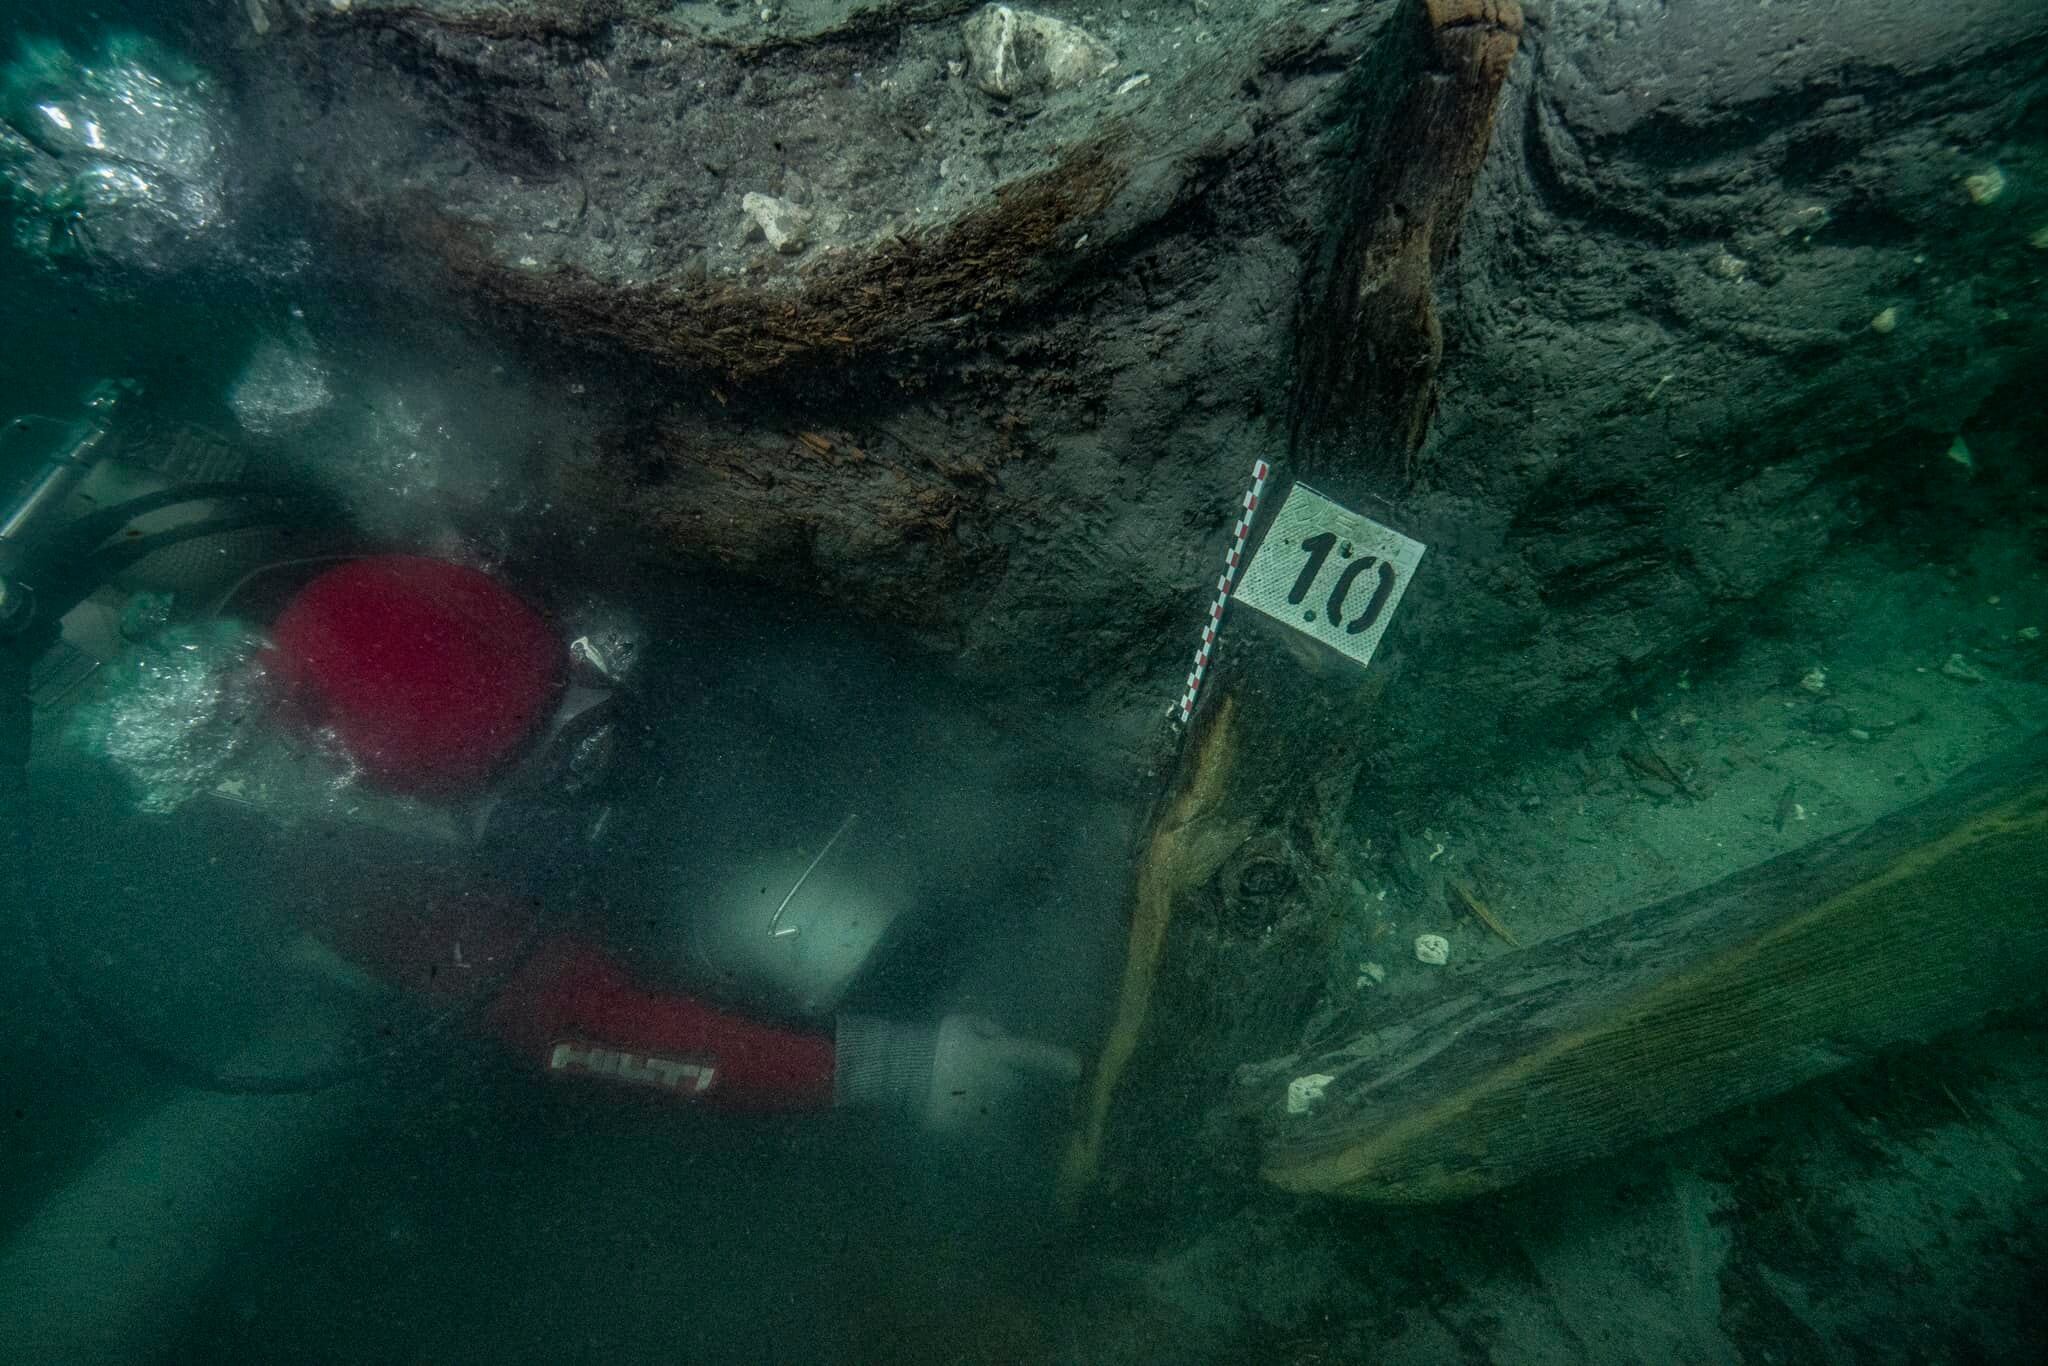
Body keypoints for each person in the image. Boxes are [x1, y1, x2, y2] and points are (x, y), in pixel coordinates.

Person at [3, 387, 1082, 1139]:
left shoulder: (406, 514)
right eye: (547, 748)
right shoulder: (318, 833)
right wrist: (895, 1069)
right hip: (544, 898)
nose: (580, 730)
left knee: (767, 735)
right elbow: (577, 1020)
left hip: (666, 720)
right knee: (787, 921)